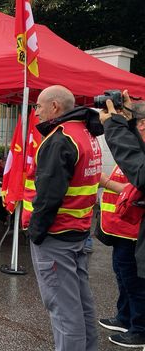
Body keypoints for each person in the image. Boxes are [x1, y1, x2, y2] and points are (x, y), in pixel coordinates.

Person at [23, 85, 103, 351]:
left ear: (54, 107)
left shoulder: (59, 139)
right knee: (81, 306)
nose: (36, 113)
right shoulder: (86, 133)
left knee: (63, 312)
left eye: (38, 107)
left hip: (57, 236)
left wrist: (35, 232)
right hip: (78, 231)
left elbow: (48, 197)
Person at [99, 93, 145, 348]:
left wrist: (104, 181)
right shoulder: (137, 145)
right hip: (121, 227)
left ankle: (138, 328)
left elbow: (137, 182)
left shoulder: (137, 152)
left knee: (134, 280)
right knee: (123, 276)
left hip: (133, 230)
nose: (137, 126)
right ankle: (125, 317)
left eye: (138, 122)